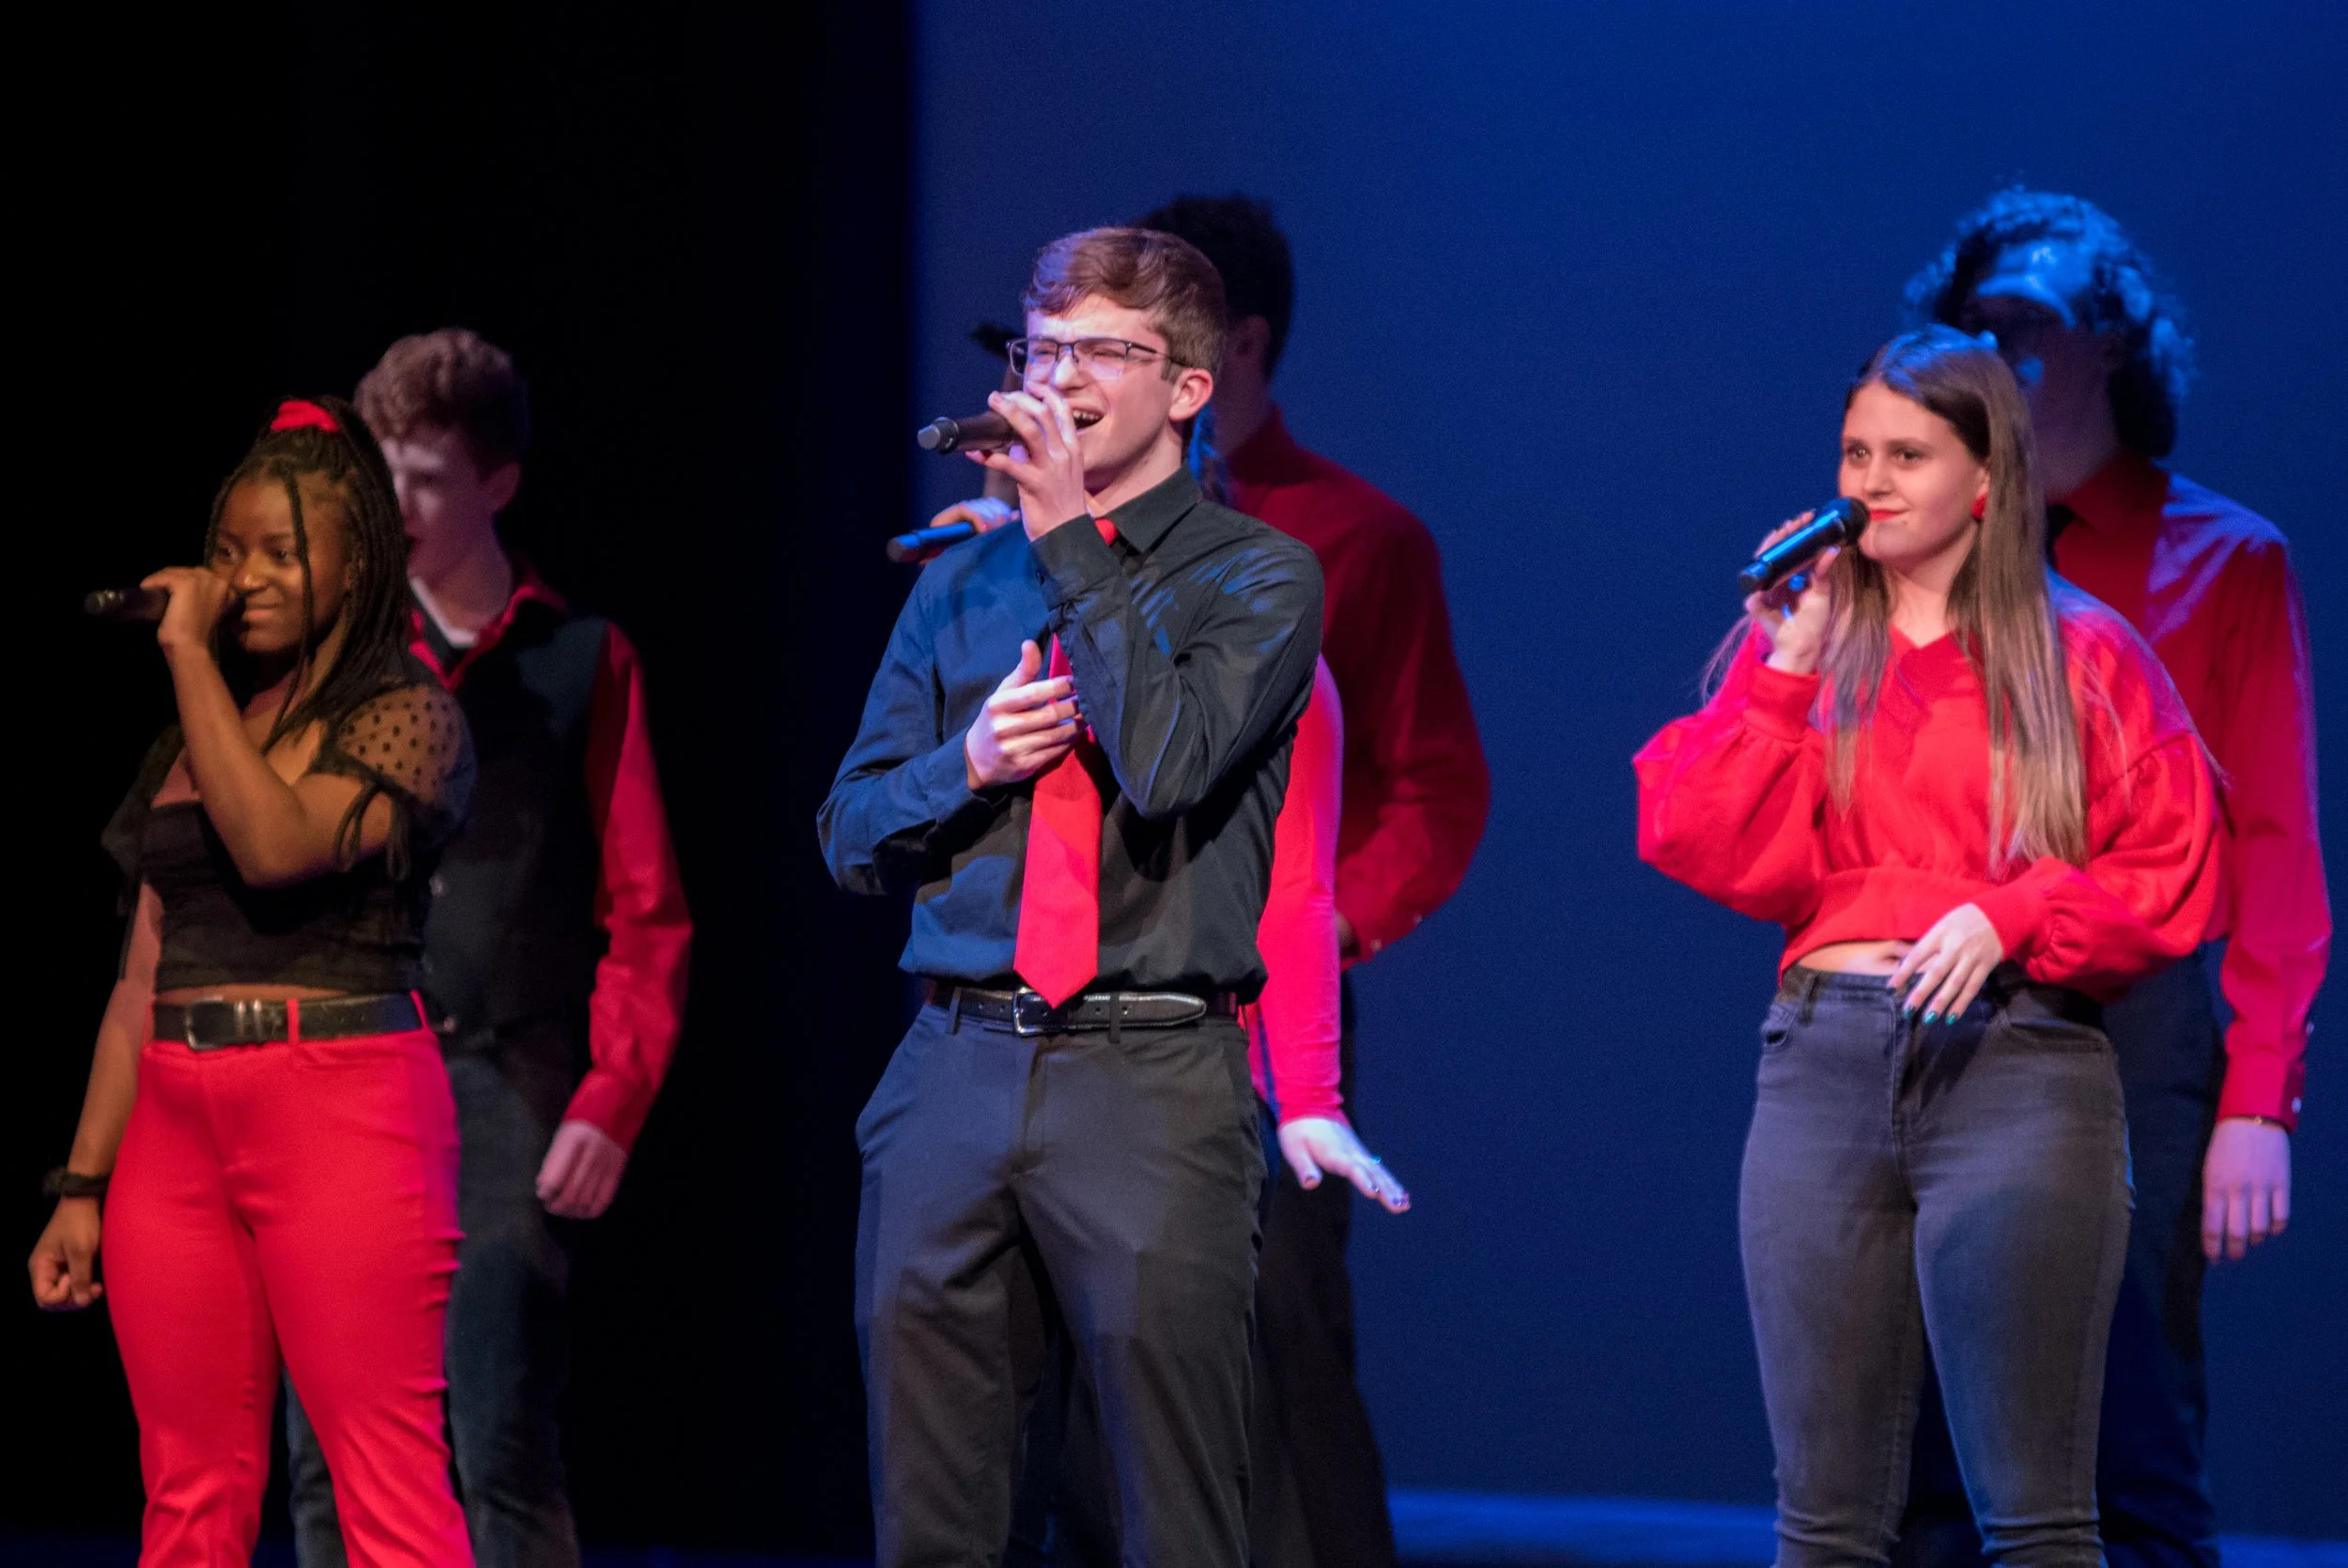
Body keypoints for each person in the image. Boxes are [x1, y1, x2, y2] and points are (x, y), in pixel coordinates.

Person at [1635, 328, 2219, 1563]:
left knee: (2038, 1516)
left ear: (1988, 478)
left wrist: (2012, 909)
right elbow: (1705, 842)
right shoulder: (1804, 653)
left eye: (1908, 454)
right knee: (1828, 1520)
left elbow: (2176, 870)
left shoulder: (2087, 654)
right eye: (1855, 453)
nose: (1872, 483)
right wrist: (1785, 667)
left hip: (2014, 1069)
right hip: (1824, 1067)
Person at [818, 226, 1326, 1566]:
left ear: (1190, 386)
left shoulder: (1258, 577)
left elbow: (1164, 763)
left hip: (1150, 1075)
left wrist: (1067, 541)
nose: (1063, 377)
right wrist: (966, 761)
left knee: (1170, 1513)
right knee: (937, 1517)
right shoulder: (958, 586)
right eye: (1046, 349)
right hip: (956, 1065)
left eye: (1103, 350)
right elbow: (849, 833)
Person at [1894, 191, 2327, 1565]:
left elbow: (2276, 848)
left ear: (2112, 340)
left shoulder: (2227, 557)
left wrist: (2259, 1099)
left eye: (2039, 313)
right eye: (1982, 318)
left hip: (2132, 1022)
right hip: (1946, 999)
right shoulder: (1931, 551)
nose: (2004, 337)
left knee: (2124, 1422)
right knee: (1921, 1436)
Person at [28, 397, 477, 1567]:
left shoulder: (408, 714)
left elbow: (277, 845)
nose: (245, 579)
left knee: (385, 1488)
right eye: (228, 554)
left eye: (281, 552)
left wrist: (186, 653)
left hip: (341, 1103)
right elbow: (138, 978)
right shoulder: (201, 734)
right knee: (186, 1498)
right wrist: (83, 1177)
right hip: (172, 1123)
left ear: (358, 560)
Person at [281, 329, 693, 1568]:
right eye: (378, 474)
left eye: (421, 478)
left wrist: (610, 1100)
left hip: (503, 1080)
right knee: (328, 1448)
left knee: (500, 1432)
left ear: (495, 484)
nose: (390, 506)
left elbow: (649, 906)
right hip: (341, 1075)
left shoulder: (579, 659)